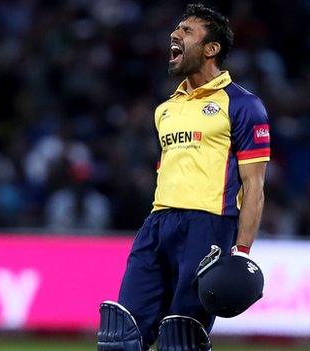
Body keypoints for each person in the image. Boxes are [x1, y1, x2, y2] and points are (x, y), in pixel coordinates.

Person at [97, 4, 270, 351]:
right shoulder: (165, 110)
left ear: (211, 48)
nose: (175, 35)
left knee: (182, 339)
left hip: (208, 228)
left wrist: (242, 251)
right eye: (176, 29)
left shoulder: (243, 105)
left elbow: (254, 184)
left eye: (187, 31)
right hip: (157, 224)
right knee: (120, 337)